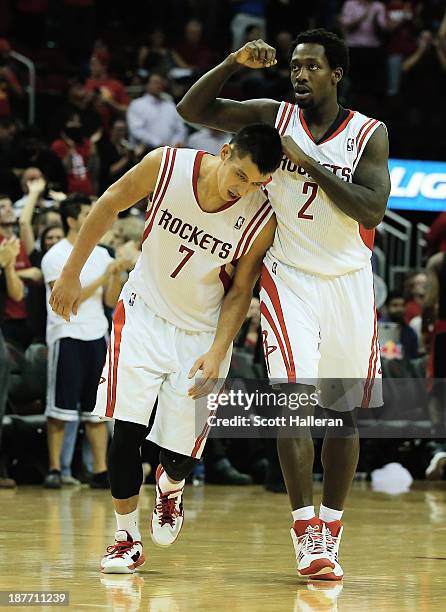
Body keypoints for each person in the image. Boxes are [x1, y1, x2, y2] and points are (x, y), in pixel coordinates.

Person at [177, 29, 391, 581]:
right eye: (294, 65)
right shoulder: (274, 116)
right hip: (289, 277)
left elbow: (370, 211)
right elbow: (193, 107)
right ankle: (305, 533)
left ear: (335, 74)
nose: (299, 74)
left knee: (342, 414)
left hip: (348, 280)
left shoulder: (369, 134)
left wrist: (307, 161)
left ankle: (333, 527)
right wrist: (233, 62)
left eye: (311, 66)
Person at [48, 123, 282, 573]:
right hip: (143, 313)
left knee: (179, 455)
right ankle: (125, 538)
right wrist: (72, 272)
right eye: (241, 176)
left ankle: (170, 488)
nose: (244, 189)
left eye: (257, 183)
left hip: (201, 332)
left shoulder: (260, 215)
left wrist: (218, 351)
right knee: (126, 431)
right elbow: (109, 204)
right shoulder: (167, 164)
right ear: (225, 150)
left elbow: (240, 292)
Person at [41, 194, 126, 489]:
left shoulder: (102, 254)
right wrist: (105, 276)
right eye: (87, 212)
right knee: (60, 409)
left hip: (96, 334)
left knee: (96, 409)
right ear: (71, 219)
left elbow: (110, 300)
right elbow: (66, 301)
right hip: (66, 334)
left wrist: (114, 275)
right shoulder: (55, 256)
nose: (93, 215)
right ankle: (54, 468)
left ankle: (100, 470)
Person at [127, 73, 187, 150]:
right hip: (146, 151)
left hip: (171, 151)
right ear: (147, 85)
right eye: (155, 83)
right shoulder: (137, 104)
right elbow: (136, 130)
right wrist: (157, 143)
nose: (159, 86)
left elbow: (180, 129)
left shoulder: (170, 105)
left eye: (160, 83)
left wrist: (175, 143)